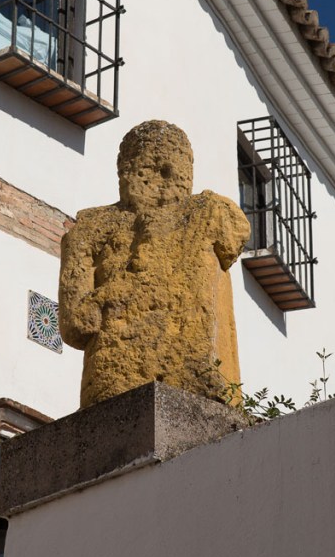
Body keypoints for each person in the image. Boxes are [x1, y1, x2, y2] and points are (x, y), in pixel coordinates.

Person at [59, 120, 250, 407]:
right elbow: (77, 323)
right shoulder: (90, 229)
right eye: (150, 167)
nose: (163, 179)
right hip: (115, 379)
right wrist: (111, 298)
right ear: (126, 170)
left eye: (171, 169)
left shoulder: (209, 211)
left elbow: (234, 235)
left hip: (187, 375)